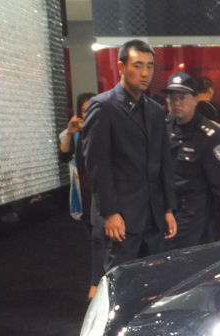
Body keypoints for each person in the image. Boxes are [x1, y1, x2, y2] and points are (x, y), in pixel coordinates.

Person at [83, 39, 176, 272]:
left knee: (155, 279)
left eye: (150, 66)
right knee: (121, 280)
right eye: (138, 65)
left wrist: (168, 208)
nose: (145, 73)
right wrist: (110, 213)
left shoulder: (155, 110)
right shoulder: (103, 106)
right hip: (122, 218)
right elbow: (97, 165)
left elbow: (164, 161)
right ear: (121, 67)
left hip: (154, 216)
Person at [164, 71, 220, 248]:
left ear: (195, 99)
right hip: (168, 213)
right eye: (172, 98)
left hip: (197, 216)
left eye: (182, 97)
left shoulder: (210, 134)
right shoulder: (163, 129)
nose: (177, 103)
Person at [58, 91, 102, 297]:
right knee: (94, 237)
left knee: (100, 238)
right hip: (85, 193)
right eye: (85, 111)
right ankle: (99, 279)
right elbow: (64, 156)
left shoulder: (104, 128)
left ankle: (97, 281)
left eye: (92, 109)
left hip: (103, 191)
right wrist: (69, 131)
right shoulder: (76, 133)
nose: (88, 114)